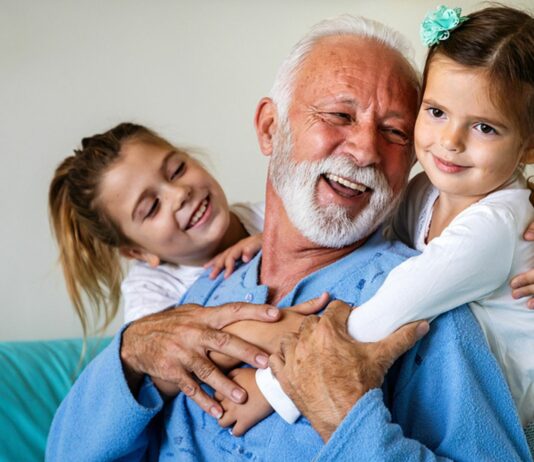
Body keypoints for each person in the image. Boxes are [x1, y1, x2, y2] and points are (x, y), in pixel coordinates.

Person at [46, 15, 533, 461]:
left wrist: (347, 417)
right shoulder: (202, 293)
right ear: (269, 128)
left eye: (394, 132)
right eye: (340, 116)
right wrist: (132, 353)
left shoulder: (431, 315)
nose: (365, 150)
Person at [250, 4, 534, 435]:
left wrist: (274, 388)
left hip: (515, 419)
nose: (450, 142)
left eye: (485, 128)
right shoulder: (424, 192)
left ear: (529, 149)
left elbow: (395, 303)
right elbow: (371, 242)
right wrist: (252, 233)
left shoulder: (498, 224)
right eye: (436, 112)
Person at [49, 122, 267, 329]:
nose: (180, 193)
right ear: (138, 252)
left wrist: (275, 242)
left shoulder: (276, 214)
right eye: (152, 207)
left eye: (177, 170)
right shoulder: (149, 292)